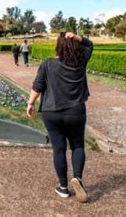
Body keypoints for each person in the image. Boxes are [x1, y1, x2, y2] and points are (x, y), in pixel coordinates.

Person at [26, 32, 93, 203]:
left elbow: (38, 86)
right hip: (76, 112)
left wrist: (30, 103)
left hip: (52, 112)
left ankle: (63, 187)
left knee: (59, 149)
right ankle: (77, 178)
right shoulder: (80, 62)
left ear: (58, 46)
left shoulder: (48, 64)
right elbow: (89, 45)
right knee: (78, 146)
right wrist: (76, 37)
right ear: (75, 45)